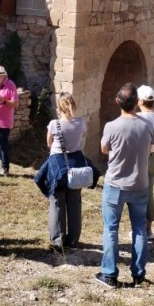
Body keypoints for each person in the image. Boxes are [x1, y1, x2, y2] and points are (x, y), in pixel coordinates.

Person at [95, 82, 154, 289]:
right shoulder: (147, 125)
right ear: (135, 103)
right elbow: (149, 150)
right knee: (139, 229)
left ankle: (109, 274)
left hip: (116, 185)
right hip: (140, 184)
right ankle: (138, 275)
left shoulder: (112, 126)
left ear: (117, 102)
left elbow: (104, 149)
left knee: (111, 229)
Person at [43, 92, 89, 248]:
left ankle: (57, 240)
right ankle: (73, 240)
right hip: (76, 164)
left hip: (57, 165)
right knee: (74, 203)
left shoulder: (53, 124)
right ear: (73, 105)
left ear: (59, 107)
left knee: (57, 202)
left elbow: (49, 143)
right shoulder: (80, 123)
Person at [136, 85, 154, 240]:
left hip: (142, 156)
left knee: (137, 193)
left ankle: (139, 228)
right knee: (149, 192)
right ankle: (148, 229)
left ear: (140, 101)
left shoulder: (140, 119)